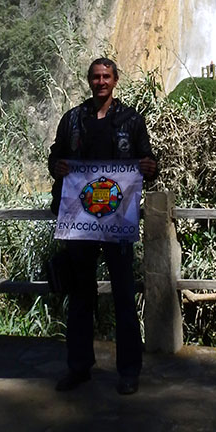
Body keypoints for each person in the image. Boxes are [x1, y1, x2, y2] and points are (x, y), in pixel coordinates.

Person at [48, 57, 157, 395]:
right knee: (80, 295)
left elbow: (149, 163)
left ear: (116, 79)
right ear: (89, 81)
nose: (100, 82)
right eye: (95, 77)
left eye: (106, 76)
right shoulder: (72, 120)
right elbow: (55, 157)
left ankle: (129, 370)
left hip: (117, 222)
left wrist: (150, 167)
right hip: (81, 223)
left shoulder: (131, 120)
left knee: (124, 294)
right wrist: (58, 167)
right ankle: (78, 367)